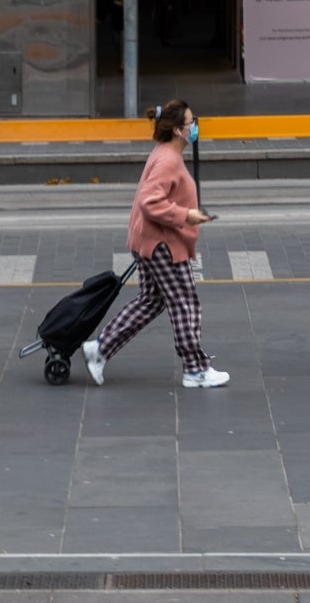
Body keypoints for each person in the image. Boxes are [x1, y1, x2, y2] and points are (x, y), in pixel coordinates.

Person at [82, 98, 226, 389]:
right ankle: (195, 369)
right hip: (163, 244)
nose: (195, 127)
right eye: (191, 123)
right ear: (177, 130)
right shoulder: (168, 160)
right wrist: (186, 215)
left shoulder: (164, 153)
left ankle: (100, 348)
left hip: (149, 240)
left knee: (152, 300)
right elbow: (150, 202)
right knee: (185, 303)